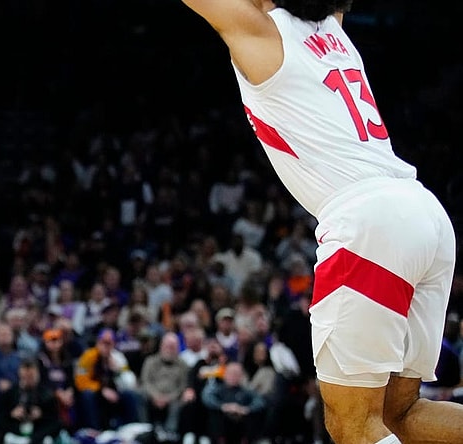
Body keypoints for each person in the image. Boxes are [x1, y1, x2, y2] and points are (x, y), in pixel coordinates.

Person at [180, 1, 462, 443]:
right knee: (399, 413)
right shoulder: (332, 27)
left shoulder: (263, 35)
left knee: (352, 425)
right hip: (422, 211)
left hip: (369, 221)